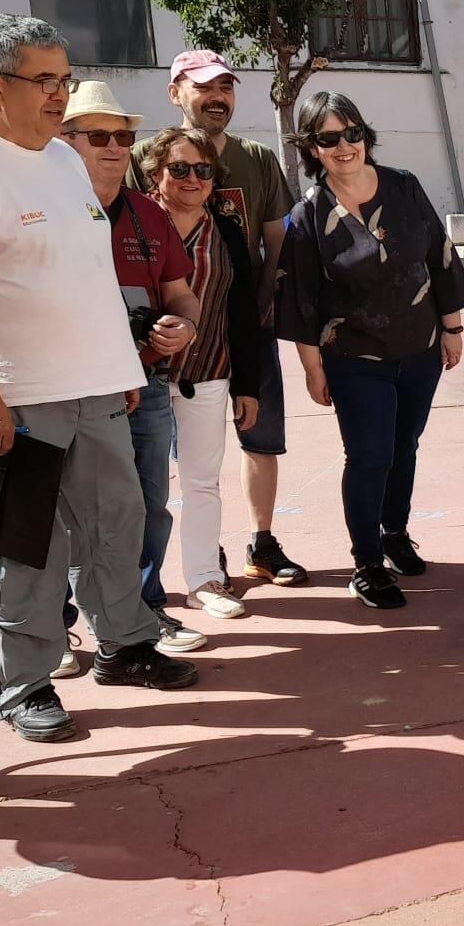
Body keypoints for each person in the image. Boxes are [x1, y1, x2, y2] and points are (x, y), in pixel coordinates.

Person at [0, 15, 200, 744]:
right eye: (44, 80)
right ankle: (24, 685)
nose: (58, 94)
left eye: (63, 79)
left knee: (117, 526)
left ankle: (126, 647)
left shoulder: (64, 161)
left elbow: (88, 275)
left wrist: (116, 362)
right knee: (26, 548)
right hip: (20, 397)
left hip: (99, 386)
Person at [279, 91, 464, 609]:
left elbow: (439, 254)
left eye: (352, 133)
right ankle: (365, 562)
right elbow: (301, 299)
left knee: (404, 445)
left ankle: (394, 532)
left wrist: (452, 328)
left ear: (365, 135)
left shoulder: (404, 187)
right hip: (353, 358)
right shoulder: (307, 215)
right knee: (368, 456)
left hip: (420, 346)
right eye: (328, 138)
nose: (344, 146)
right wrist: (311, 368)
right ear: (311, 148)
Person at [133, 50, 306, 588]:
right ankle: (149, 586)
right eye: (203, 86)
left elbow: (276, 239)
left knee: (256, 441)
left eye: (226, 87)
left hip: (236, 334)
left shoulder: (255, 159)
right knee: (148, 472)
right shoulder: (139, 159)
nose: (218, 97)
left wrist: (265, 300)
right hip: (151, 352)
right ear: (175, 92)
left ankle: (255, 545)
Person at [57, 81, 208, 665]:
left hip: (144, 379)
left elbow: (179, 293)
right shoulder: (44, 206)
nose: (115, 146)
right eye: (99, 135)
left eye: (123, 135)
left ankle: (141, 612)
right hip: (68, 382)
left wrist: (182, 326)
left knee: (148, 502)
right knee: (69, 512)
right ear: (64, 141)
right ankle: (60, 625)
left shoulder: (149, 212)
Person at [143, 125, 263, 620]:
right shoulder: (133, 220)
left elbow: (243, 309)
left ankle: (205, 579)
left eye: (203, 170)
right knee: (144, 488)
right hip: (141, 376)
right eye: (180, 168)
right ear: (155, 172)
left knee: (201, 481)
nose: (193, 178)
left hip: (208, 370)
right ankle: (140, 594)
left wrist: (247, 385)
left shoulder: (227, 230)